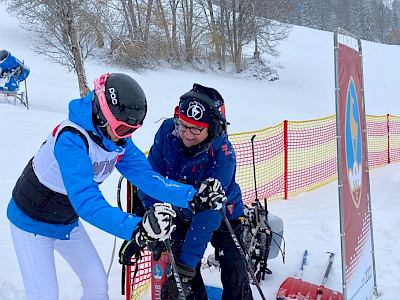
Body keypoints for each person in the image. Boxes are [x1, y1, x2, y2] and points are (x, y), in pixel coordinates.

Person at [7, 73, 226, 300]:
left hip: (65, 221)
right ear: (102, 115)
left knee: (97, 285)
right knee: (45, 294)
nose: (127, 137)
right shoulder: (71, 140)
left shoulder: (114, 138)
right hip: (31, 222)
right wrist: (136, 229)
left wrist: (192, 197)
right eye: (123, 129)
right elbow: (88, 203)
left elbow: (147, 177)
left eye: (133, 130)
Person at [139, 83, 253, 299]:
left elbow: (207, 217)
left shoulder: (224, 155)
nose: (187, 135)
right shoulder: (166, 132)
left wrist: (187, 265)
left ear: (213, 129)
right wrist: (156, 218)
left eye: (196, 129)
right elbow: (149, 180)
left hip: (222, 214)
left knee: (234, 272)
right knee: (185, 285)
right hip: (180, 212)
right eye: (183, 126)